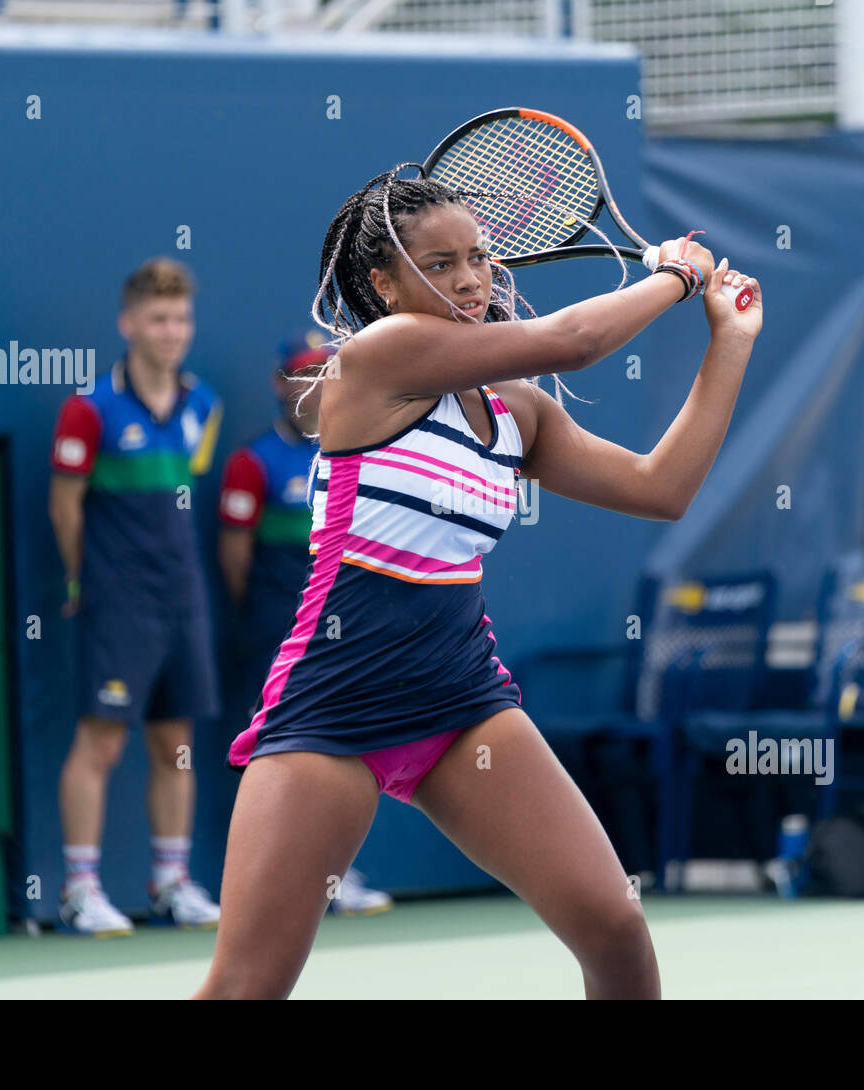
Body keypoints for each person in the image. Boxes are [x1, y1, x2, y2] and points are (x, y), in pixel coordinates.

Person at [192, 164, 761, 999]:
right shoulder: (382, 356)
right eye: (440, 264)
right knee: (247, 988)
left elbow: (659, 488)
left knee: (616, 931)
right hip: (331, 710)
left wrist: (729, 345)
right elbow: (573, 338)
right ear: (383, 285)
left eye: (480, 257)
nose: (469, 280)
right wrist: (678, 275)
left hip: (462, 707)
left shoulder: (516, 410)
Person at [49, 257, 224, 935]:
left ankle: (171, 882)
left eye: (180, 318)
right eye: (158, 318)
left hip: (184, 597)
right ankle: (79, 888)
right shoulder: (88, 409)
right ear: (128, 324)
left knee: (175, 744)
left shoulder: (202, 404)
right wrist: (80, 581)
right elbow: (66, 509)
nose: (171, 330)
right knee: (100, 745)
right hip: (117, 601)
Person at [216, 332, 392, 916]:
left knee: (347, 744)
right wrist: (265, 614)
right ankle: (268, 885)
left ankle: (333, 878)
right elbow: (235, 555)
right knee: (282, 750)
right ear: (280, 383)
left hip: (348, 628)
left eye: (326, 370)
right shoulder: (252, 461)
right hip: (277, 628)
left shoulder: (364, 448)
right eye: (302, 372)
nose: (315, 382)